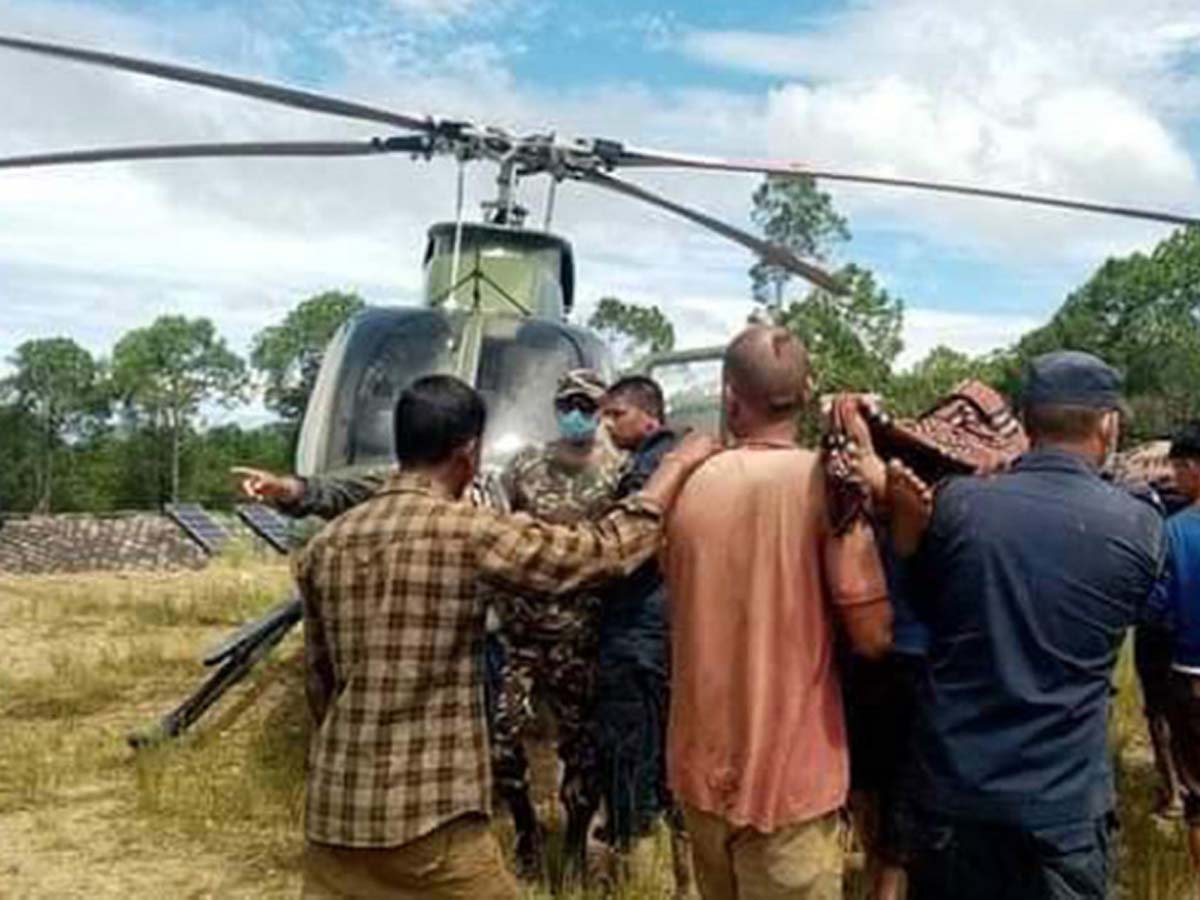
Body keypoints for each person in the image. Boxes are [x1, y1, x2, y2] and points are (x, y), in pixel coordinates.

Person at [295, 374, 717, 899]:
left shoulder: (325, 546)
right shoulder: (467, 532)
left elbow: (319, 685)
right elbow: (602, 552)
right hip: (431, 822)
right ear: (468, 454)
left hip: (333, 816)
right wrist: (675, 469)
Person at [886, 350, 1166, 900]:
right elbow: (1144, 614)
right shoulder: (1138, 526)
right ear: (1108, 424)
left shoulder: (957, 506)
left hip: (955, 797)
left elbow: (919, 611)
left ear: (1024, 421)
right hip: (1062, 805)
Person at [663, 324, 893, 900]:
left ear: (730, 398)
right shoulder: (828, 487)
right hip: (792, 783)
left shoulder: (689, 483)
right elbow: (871, 635)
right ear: (806, 390)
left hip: (700, 770)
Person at [488, 368, 625, 878]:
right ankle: (525, 833)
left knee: (582, 755)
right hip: (523, 636)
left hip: (581, 637)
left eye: (586, 406)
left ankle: (572, 845)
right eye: (567, 403)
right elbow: (499, 530)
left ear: (602, 409)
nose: (575, 414)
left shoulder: (617, 471)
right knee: (504, 745)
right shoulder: (524, 465)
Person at [593, 375, 691, 893]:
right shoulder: (673, 460)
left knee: (631, 765)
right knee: (666, 767)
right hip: (666, 633)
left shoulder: (651, 471)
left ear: (648, 417)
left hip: (638, 635)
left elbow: (623, 551)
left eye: (615, 415)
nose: (605, 426)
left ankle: (641, 881)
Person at [1153, 421, 1200, 877]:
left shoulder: (1174, 532)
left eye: (1178, 468)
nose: (1173, 478)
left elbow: (1156, 606)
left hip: (1191, 674)